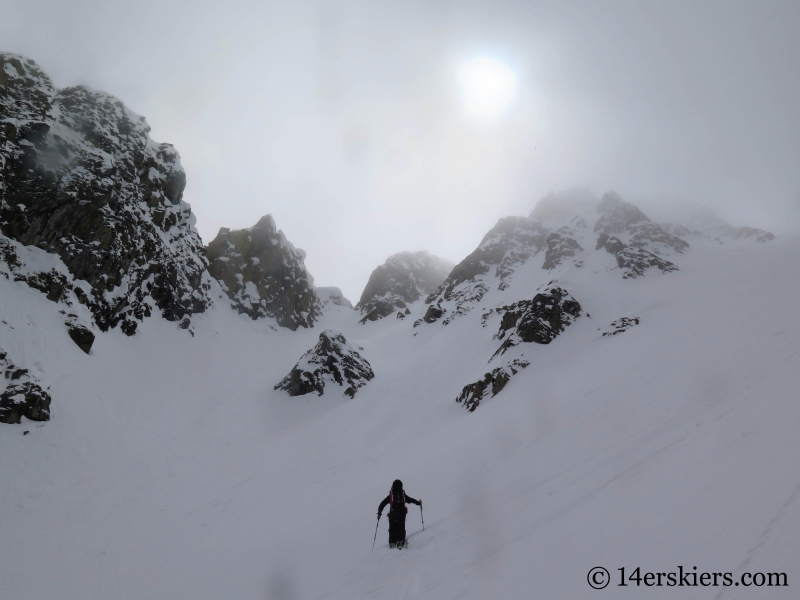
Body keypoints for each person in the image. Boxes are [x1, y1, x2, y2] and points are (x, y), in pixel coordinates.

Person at [377, 479, 421, 549]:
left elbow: (382, 504)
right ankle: (401, 541)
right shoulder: (402, 495)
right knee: (401, 527)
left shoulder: (391, 495)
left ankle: (392, 542)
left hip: (392, 513)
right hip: (401, 513)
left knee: (392, 528)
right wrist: (418, 503)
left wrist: (379, 513)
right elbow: (410, 500)